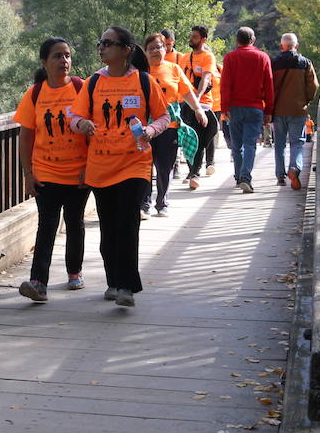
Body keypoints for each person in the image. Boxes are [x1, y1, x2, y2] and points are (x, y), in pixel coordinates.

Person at [73, 26, 170, 307]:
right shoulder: (93, 82)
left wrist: (150, 130)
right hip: (101, 166)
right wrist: (81, 123)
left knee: (128, 224)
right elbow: (74, 115)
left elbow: (164, 116)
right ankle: (113, 281)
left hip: (134, 163)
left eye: (108, 43)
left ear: (126, 50)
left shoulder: (143, 81)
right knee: (109, 228)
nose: (102, 48)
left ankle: (126, 286)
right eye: (100, 43)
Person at [15, 37, 90, 301]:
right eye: (57, 56)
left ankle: (74, 272)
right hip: (46, 171)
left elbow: (94, 131)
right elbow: (25, 136)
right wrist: (28, 173)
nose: (64, 61)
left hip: (78, 172)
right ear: (45, 62)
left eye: (67, 55)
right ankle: (38, 282)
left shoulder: (82, 88)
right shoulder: (35, 93)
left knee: (75, 222)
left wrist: (89, 168)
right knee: (46, 225)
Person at [143, 33, 208, 216]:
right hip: (144, 127)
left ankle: (162, 203)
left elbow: (186, 92)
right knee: (145, 166)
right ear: (145, 52)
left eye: (159, 47)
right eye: (151, 48)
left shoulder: (174, 69)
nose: (156, 51)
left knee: (165, 166)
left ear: (166, 49)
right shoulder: (140, 71)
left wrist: (198, 109)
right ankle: (144, 204)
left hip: (169, 126)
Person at [218, 26, 275, 193]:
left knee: (237, 145)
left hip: (235, 108)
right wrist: (269, 110)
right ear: (253, 40)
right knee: (250, 144)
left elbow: (225, 85)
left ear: (237, 40)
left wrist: (224, 108)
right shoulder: (263, 57)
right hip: (255, 108)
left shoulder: (230, 58)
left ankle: (238, 176)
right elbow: (269, 85)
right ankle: (245, 177)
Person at [271, 33, 319, 189]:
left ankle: (280, 176)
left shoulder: (274, 63)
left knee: (279, 144)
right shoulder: (305, 63)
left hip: (278, 110)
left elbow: (268, 85)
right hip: (298, 109)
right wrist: (306, 100)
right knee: (297, 143)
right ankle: (294, 168)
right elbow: (314, 86)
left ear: (281, 46)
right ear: (296, 46)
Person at [182, 25, 220, 189]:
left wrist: (197, 97)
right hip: (184, 103)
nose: (191, 39)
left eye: (195, 36)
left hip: (202, 103)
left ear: (203, 39)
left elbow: (206, 78)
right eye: (191, 36)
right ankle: (192, 171)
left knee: (198, 137)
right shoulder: (184, 58)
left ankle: (195, 173)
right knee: (188, 139)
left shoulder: (208, 57)